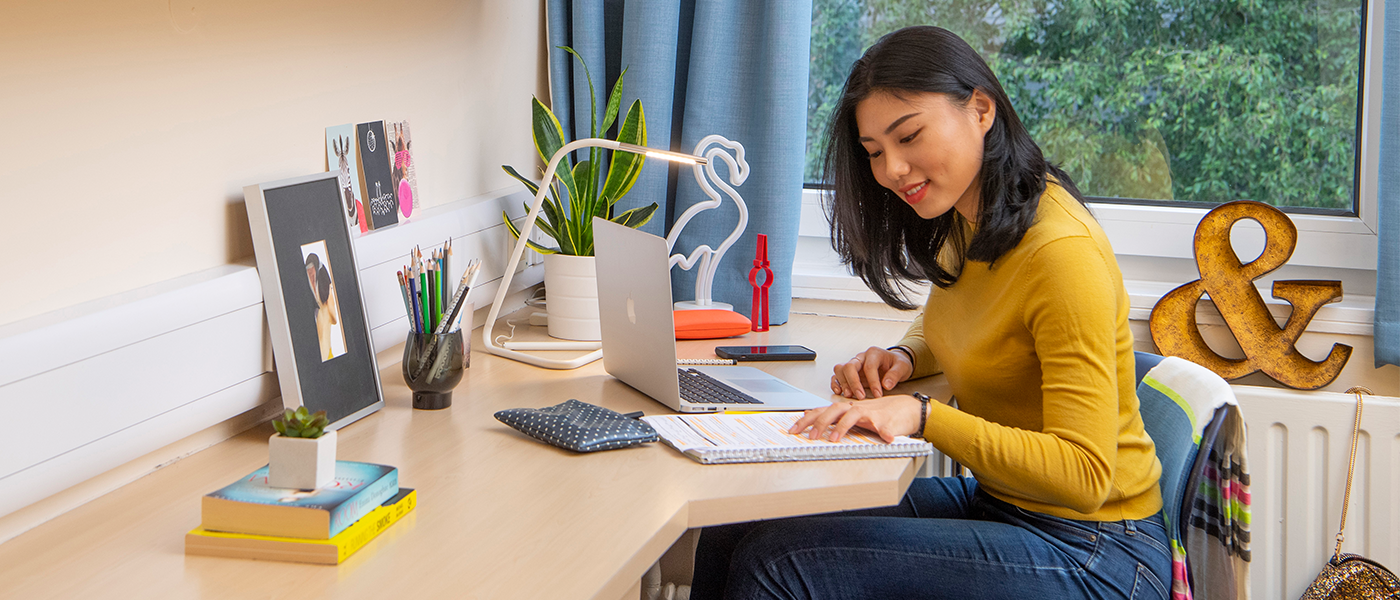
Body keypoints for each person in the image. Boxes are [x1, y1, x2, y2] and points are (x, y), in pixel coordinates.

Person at [691, 26, 1171, 600]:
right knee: (738, 519)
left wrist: (922, 416)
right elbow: (957, 314)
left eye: (909, 135)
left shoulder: (1061, 255)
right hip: (1007, 507)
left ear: (981, 110)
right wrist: (903, 356)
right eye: (874, 153)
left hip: (1097, 550)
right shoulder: (972, 219)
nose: (892, 169)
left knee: (780, 565)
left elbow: (1085, 475)